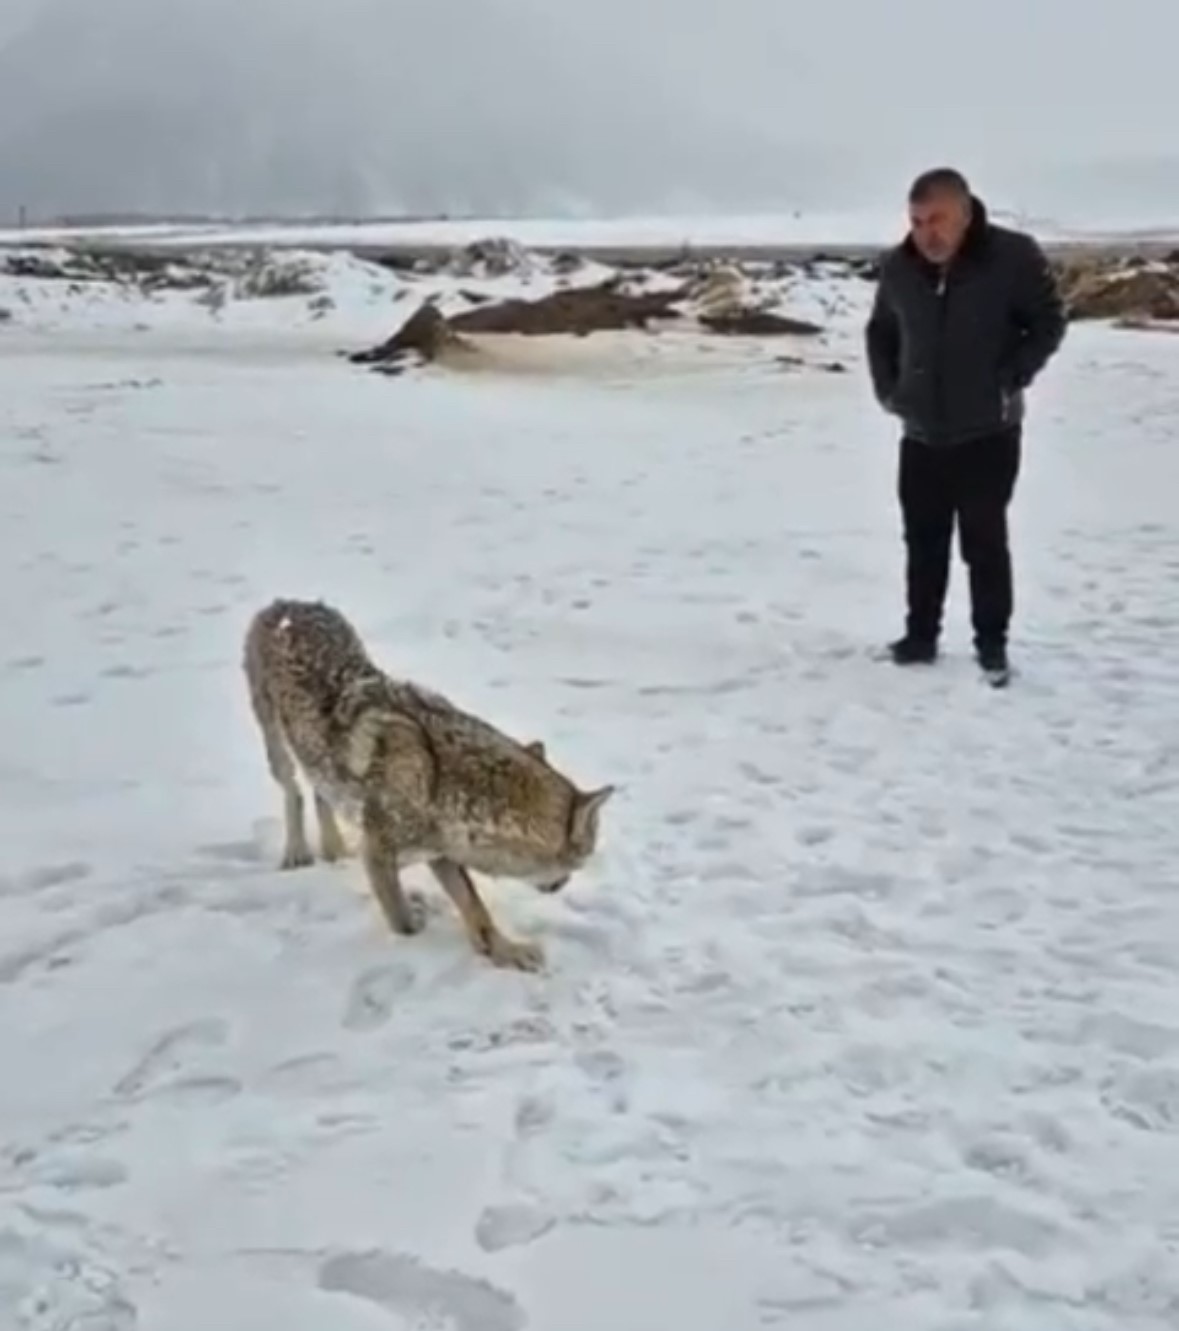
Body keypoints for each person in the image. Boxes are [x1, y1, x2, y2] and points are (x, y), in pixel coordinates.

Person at [865, 167, 1067, 678]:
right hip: (921, 433)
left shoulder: (1012, 257)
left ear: (966, 213)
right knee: (923, 541)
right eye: (916, 221)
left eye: (937, 219)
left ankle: (991, 643)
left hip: (988, 431)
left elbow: (1048, 321)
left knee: (984, 542)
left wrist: (1010, 378)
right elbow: (881, 332)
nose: (926, 232)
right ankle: (920, 638)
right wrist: (891, 392)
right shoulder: (898, 268)